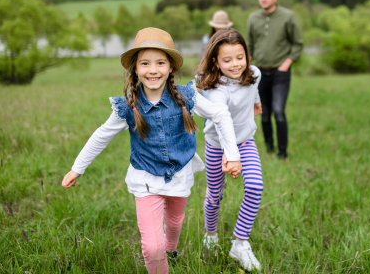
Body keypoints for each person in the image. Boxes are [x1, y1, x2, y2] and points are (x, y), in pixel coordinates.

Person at [61, 27, 242, 274]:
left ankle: (172, 248)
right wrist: (77, 168)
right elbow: (101, 136)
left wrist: (232, 155)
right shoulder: (127, 108)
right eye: (145, 63)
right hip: (145, 178)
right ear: (135, 69)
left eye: (160, 63)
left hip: (179, 173)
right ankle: (161, 257)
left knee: (175, 224)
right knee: (152, 248)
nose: (153, 70)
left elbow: (221, 115)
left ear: (170, 68)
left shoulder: (187, 97)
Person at [196, 28, 263, 271]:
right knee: (215, 195)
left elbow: (252, 89)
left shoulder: (254, 73)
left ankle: (240, 243)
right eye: (227, 60)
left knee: (255, 186)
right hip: (217, 145)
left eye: (240, 57)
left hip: (245, 141)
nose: (235, 64)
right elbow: (222, 118)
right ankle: (211, 235)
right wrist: (228, 152)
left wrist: (256, 102)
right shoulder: (215, 89)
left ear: (247, 55)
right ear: (215, 61)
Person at [246, 0, 303, 159]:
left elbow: (297, 43)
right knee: (264, 114)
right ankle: (270, 148)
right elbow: (249, 47)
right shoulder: (253, 18)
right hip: (259, 73)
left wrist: (286, 64)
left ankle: (282, 153)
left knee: (278, 112)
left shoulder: (288, 16)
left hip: (280, 73)